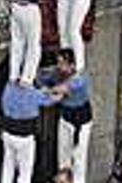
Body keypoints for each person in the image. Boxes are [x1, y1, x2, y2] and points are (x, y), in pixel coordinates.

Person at [8, 0, 68, 85]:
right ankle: (26, 79)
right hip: (30, 6)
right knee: (33, 46)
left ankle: (13, 75)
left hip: (15, 4)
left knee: (17, 43)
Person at [40, 48, 93, 183]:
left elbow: (63, 88)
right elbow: (40, 77)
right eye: (58, 62)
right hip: (66, 117)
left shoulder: (81, 78)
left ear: (72, 65)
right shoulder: (57, 72)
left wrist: (48, 90)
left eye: (62, 63)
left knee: (79, 159)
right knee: (63, 155)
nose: (59, 66)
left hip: (81, 122)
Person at [0, 81, 62, 183]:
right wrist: (61, 94)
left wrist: (42, 91)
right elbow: (50, 100)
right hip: (25, 139)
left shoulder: (8, 88)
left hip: (8, 134)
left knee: (8, 167)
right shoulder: (33, 93)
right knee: (25, 173)